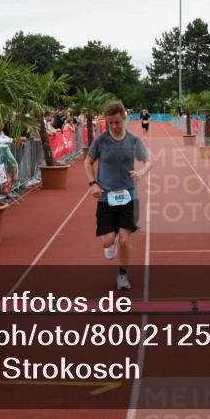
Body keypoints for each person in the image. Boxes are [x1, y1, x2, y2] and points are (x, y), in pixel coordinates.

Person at [84, 100, 152, 291]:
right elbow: (88, 162)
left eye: (117, 122)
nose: (114, 126)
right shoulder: (101, 141)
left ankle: (122, 275)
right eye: (110, 123)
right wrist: (93, 183)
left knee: (125, 238)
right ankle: (110, 239)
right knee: (107, 241)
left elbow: (148, 160)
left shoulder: (133, 140)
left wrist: (141, 173)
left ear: (125, 118)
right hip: (106, 196)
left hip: (128, 195)